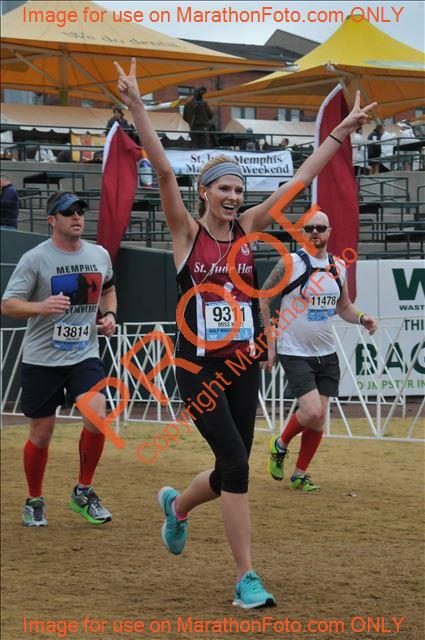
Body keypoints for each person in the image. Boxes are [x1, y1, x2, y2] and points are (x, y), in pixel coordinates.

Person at [114, 57, 375, 608]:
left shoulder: (250, 229)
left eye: (239, 188)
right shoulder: (186, 234)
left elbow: (303, 177)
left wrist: (340, 133)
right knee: (235, 465)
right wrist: (137, 106)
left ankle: (178, 507)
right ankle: (245, 578)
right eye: (224, 188)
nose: (234, 196)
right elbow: (163, 172)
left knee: (232, 464)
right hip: (198, 368)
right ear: (205, 192)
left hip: (241, 364)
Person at [1, 191, 117, 527]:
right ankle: (34, 499)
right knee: (42, 432)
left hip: (84, 354)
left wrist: (108, 314)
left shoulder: (99, 254)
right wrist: (41, 307)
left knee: (97, 414)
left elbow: (108, 289)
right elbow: (8, 304)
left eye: (80, 210)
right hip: (41, 360)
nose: (77, 217)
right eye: (68, 212)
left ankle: (83, 492)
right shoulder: (35, 259)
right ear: (52, 220)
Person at [261, 211, 377, 492]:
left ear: (329, 231)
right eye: (309, 228)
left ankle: (300, 474)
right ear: (303, 232)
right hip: (294, 350)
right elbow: (263, 298)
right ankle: (280, 444)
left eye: (320, 228)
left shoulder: (339, 267)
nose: (315, 232)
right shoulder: (291, 263)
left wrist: (362, 318)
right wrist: (270, 342)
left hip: (326, 352)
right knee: (311, 412)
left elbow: (344, 306)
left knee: (319, 418)